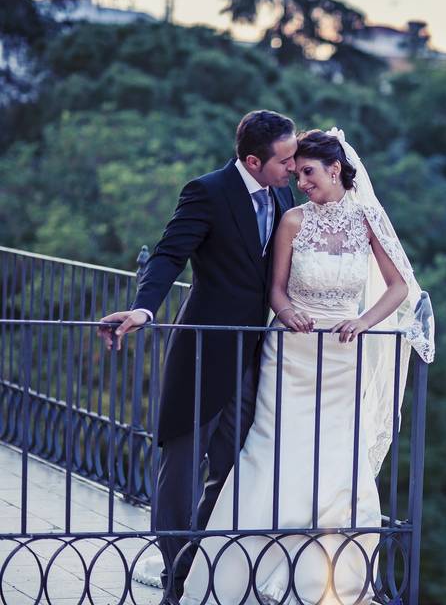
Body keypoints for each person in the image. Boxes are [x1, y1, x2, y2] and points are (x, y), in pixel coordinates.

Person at [178, 128, 434, 604]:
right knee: (275, 452)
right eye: (296, 174)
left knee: (337, 461)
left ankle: (323, 579)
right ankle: (239, 572)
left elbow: (400, 288)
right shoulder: (292, 221)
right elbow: (275, 290)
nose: (300, 182)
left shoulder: (369, 219)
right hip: (292, 355)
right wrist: (287, 311)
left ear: (335, 170)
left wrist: (363, 320)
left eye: (308, 173)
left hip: (344, 356)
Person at [97, 110, 298, 599]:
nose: (293, 168)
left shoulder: (285, 196)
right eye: (285, 160)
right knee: (183, 468)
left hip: (253, 353)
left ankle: (198, 559)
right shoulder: (206, 191)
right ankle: (173, 573)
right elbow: (169, 254)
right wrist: (145, 309)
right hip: (203, 349)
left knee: (233, 464)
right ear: (253, 160)